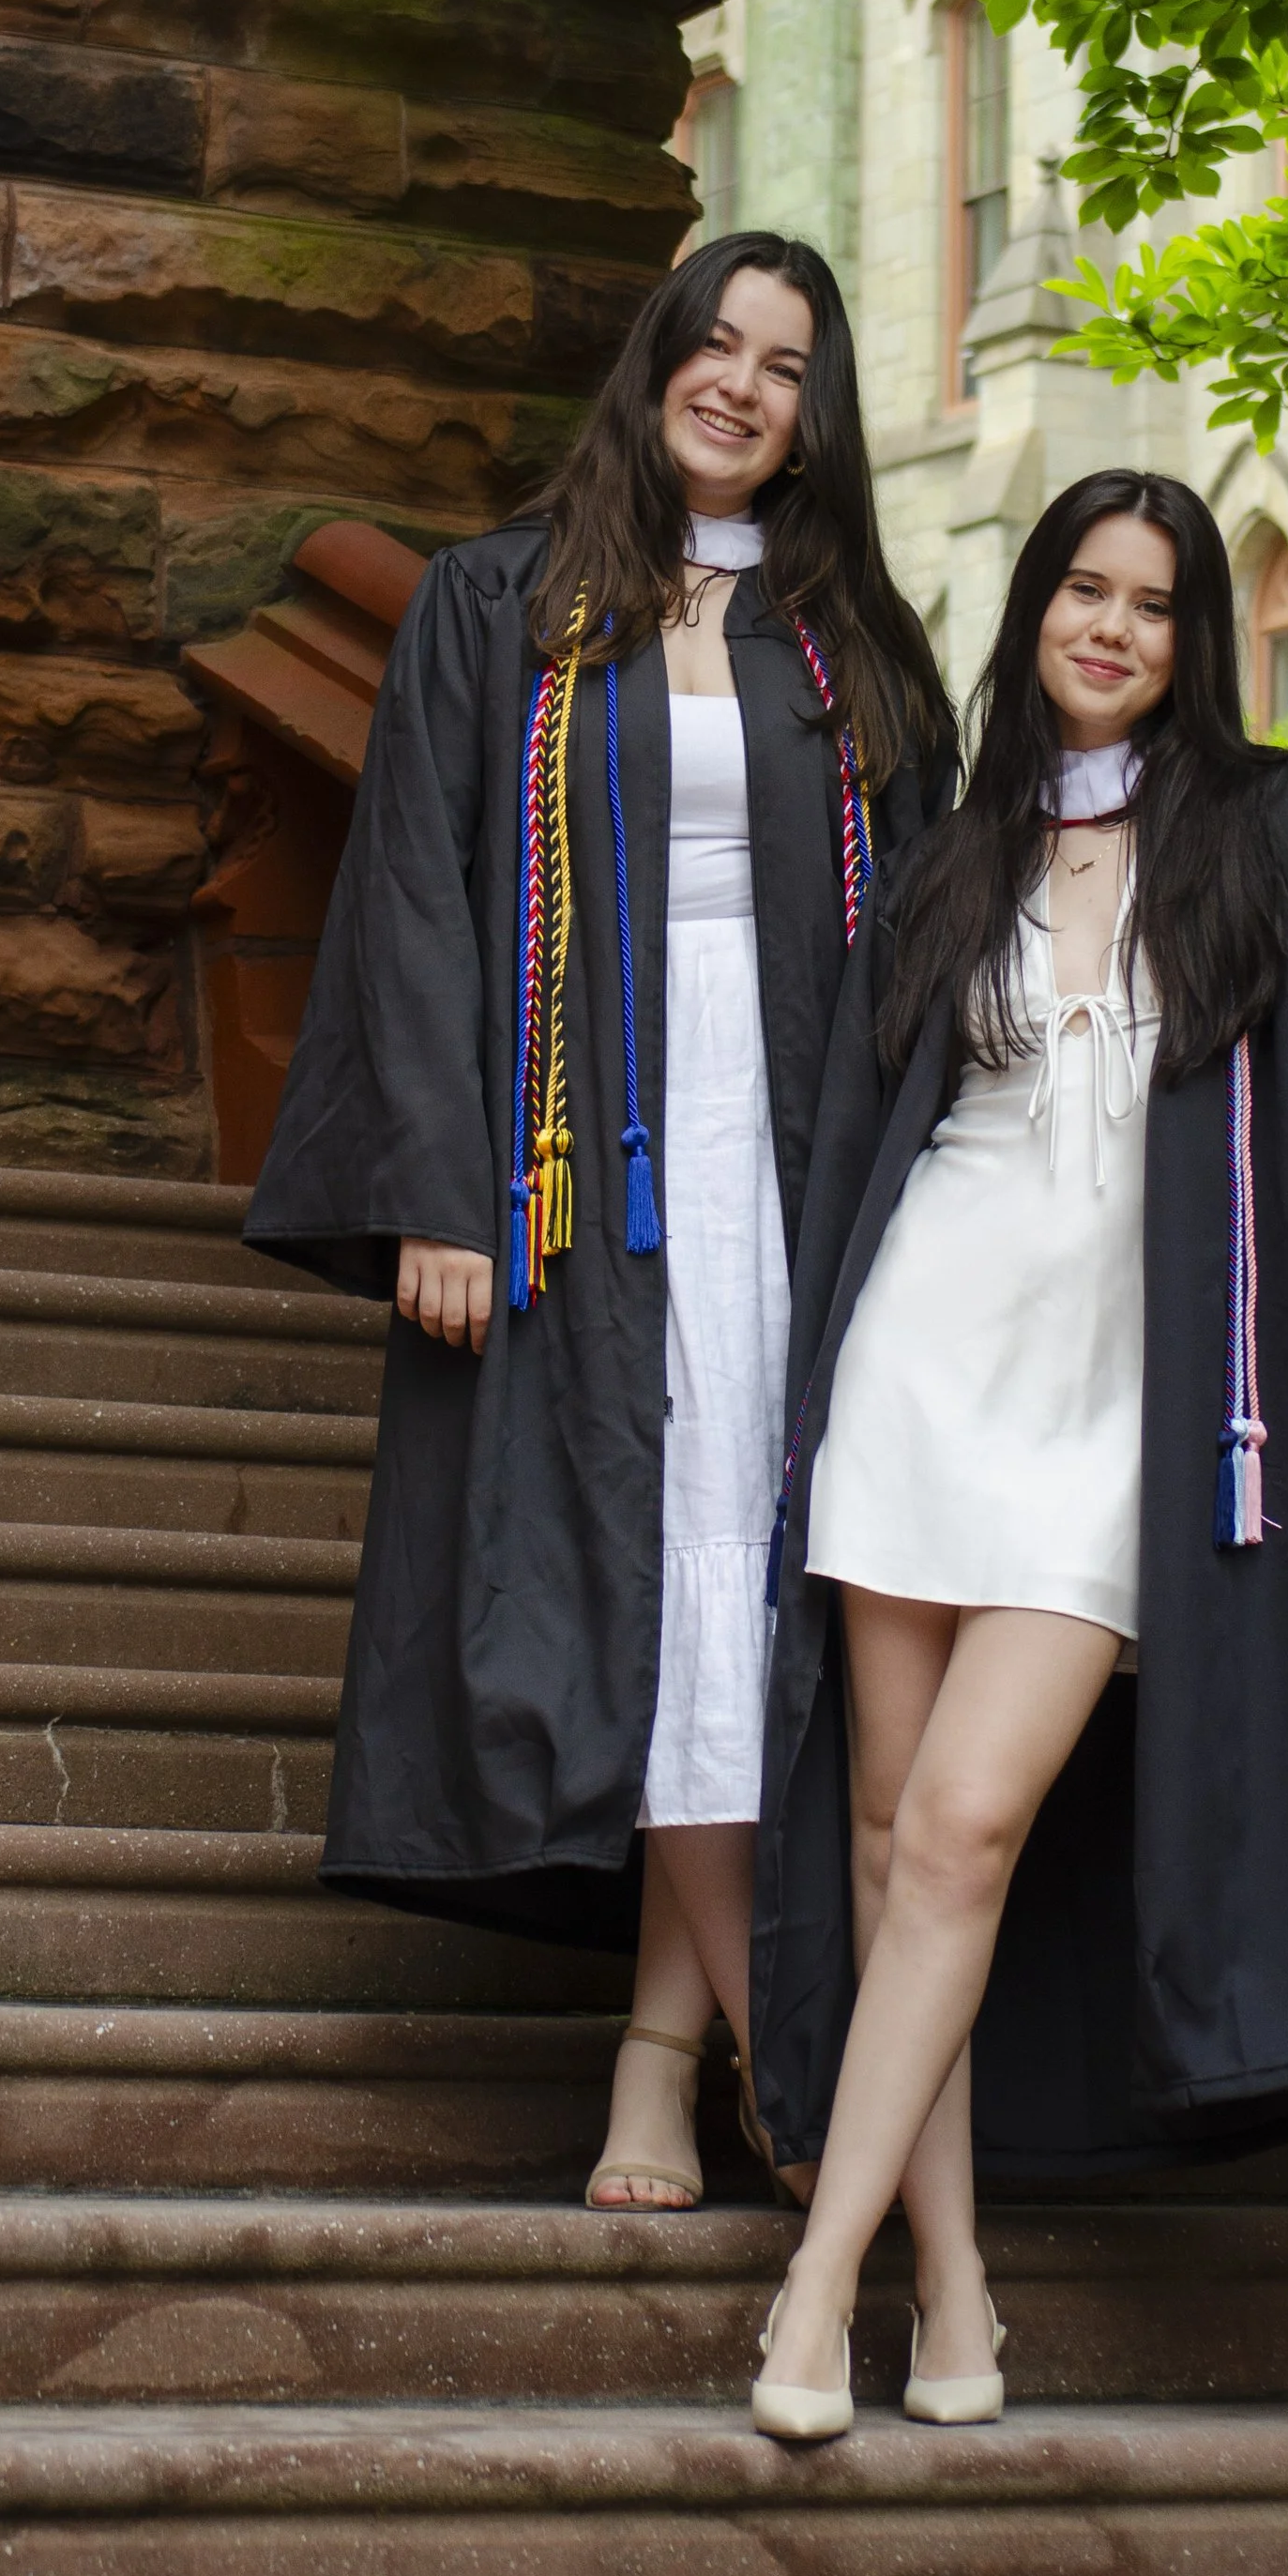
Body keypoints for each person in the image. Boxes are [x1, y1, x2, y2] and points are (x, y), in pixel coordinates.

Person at [744, 469, 1288, 2438]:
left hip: (1119, 1401)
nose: (1110, 626)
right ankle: (949, 2294)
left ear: (1192, 639)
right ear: (1033, 612)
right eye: (1081, 591)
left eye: (1154, 602)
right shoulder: (956, 851)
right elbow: (867, 1127)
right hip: (926, 1357)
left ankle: (809, 2282)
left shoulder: (1270, 820)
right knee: (876, 1841)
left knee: (959, 1830)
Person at [246, 233, 952, 2218]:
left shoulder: (855, 650)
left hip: (793, 1175)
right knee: (638, 1595)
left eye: (786, 363)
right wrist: (436, 1191)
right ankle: (786, 2080)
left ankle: (663, 2059)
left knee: (741, 1606)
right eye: (713, 343)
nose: (741, 383)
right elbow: (412, 895)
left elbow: (935, 933)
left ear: (819, 415)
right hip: (574, 1177)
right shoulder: (498, 604)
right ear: (654, 360)